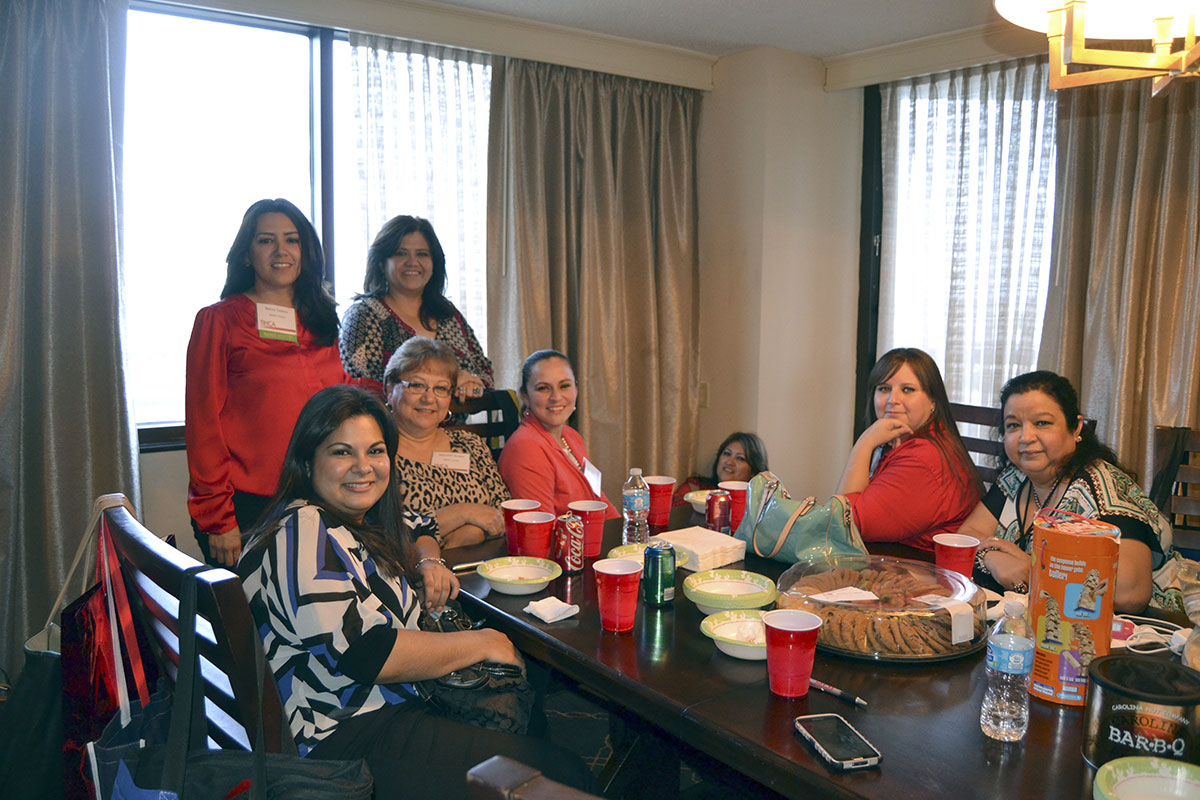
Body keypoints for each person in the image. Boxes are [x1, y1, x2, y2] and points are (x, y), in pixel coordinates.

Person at [238, 385, 590, 796]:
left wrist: (428, 561)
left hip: (386, 707)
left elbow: (422, 525)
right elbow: (364, 651)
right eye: (341, 452)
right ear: (307, 460)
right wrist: (483, 642)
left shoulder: (357, 519)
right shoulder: (302, 529)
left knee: (533, 728)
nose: (363, 467)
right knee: (562, 773)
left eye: (375, 451)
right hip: (342, 737)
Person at [186, 198, 346, 568]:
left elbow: (338, 389)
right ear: (246, 254)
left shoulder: (321, 320)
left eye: (292, 239)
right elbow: (203, 424)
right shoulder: (219, 320)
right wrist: (218, 517)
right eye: (266, 240)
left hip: (320, 496)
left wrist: (404, 384)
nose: (280, 250)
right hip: (248, 507)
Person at [957, 371, 1178, 614]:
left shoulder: (1103, 488)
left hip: (1150, 627)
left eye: (1042, 423)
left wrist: (1036, 570)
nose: (1025, 437)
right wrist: (990, 556)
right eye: (1013, 425)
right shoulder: (1017, 477)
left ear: (1076, 428)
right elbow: (968, 534)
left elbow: (1130, 593)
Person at [835, 347, 982, 553]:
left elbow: (843, 522)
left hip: (923, 566)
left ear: (933, 401)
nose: (892, 399)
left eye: (907, 390)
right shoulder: (900, 442)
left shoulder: (923, 458)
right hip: (895, 558)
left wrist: (864, 443)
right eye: (884, 388)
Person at [340, 215, 492, 400]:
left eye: (422, 254)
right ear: (381, 263)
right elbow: (359, 387)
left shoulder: (448, 314)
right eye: (400, 253)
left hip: (456, 420)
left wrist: (472, 384)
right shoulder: (364, 315)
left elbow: (485, 374)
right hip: (387, 420)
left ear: (434, 263)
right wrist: (446, 384)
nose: (412, 262)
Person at [384, 337, 509, 549]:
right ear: (389, 388)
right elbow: (384, 536)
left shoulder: (470, 445)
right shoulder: (377, 454)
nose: (429, 398)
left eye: (441, 388)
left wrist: (470, 533)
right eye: (417, 385)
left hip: (486, 566)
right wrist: (463, 513)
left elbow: (503, 515)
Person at [498, 350, 618, 520]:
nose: (556, 397)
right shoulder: (525, 448)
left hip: (590, 534)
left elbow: (599, 501)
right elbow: (544, 527)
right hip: (566, 538)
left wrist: (626, 533)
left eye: (564, 386)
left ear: (576, 389)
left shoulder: (571, 436)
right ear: (525, 396)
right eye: (543, 388)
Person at [672, 432, 770, 507]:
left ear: (753, 472)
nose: (729, 462)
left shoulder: (760, 505)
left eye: (740, 458)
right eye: (727, 453)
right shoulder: (693, 489)